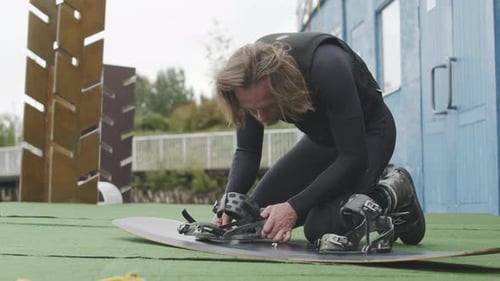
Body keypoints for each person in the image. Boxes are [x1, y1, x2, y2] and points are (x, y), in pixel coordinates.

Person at [212, 32, 425, 247]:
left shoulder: (328, 65)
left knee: (321, 228)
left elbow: (353, 158)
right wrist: (230, 200)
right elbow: (248, 150)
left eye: (266, 107)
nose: (263, 118)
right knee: (253, 220)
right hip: (321, 142)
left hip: (367, 138)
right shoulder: (249, 78)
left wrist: (293, 208)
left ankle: (395, 190)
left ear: (283, 84)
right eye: (252, 110)